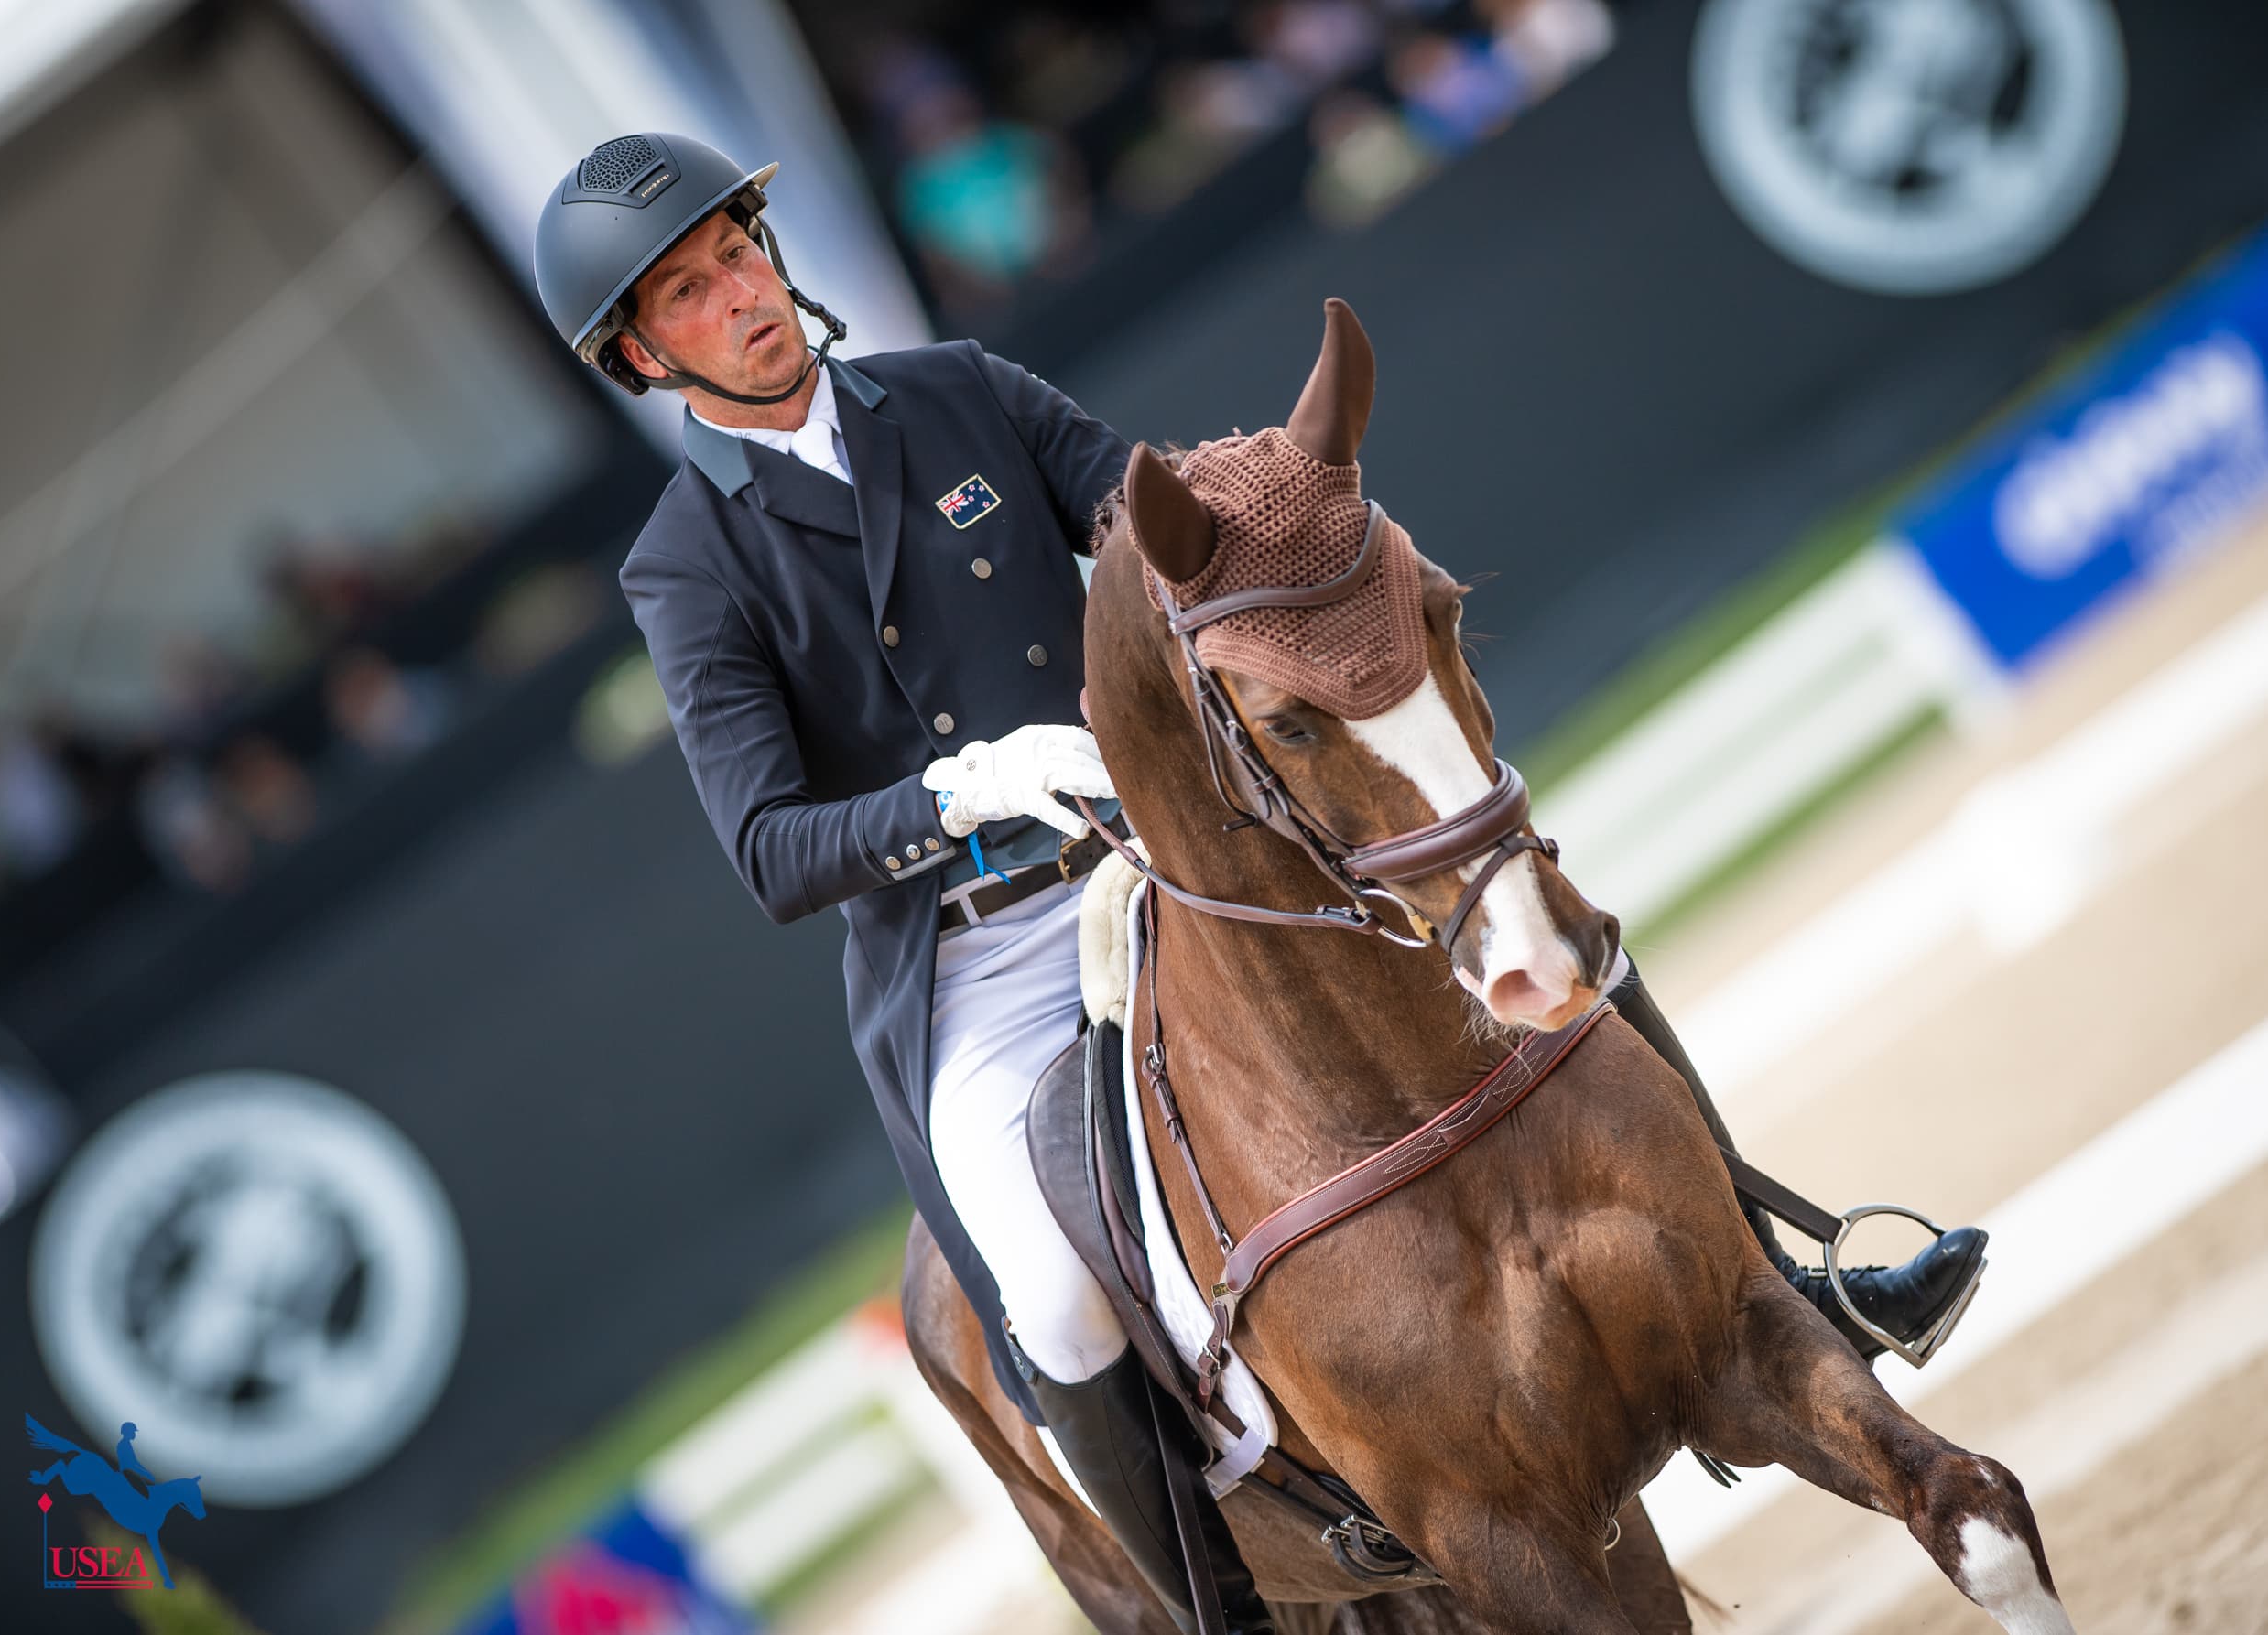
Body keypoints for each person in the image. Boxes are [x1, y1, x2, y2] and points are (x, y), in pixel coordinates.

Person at [534, 132, 1983, 1635]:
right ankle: (1235, 1609)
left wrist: (1274, 530)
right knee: (1051, 1289)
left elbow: (1161, 531)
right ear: (645, 353)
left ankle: (1786, 1283)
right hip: (980, 956)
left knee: (1532, 927)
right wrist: (964, 788)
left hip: (1175, 862)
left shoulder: (959, 390)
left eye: (743, 255)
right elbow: (772, 848)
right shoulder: (688, 564)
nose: (745, 298)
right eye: (696, 293)